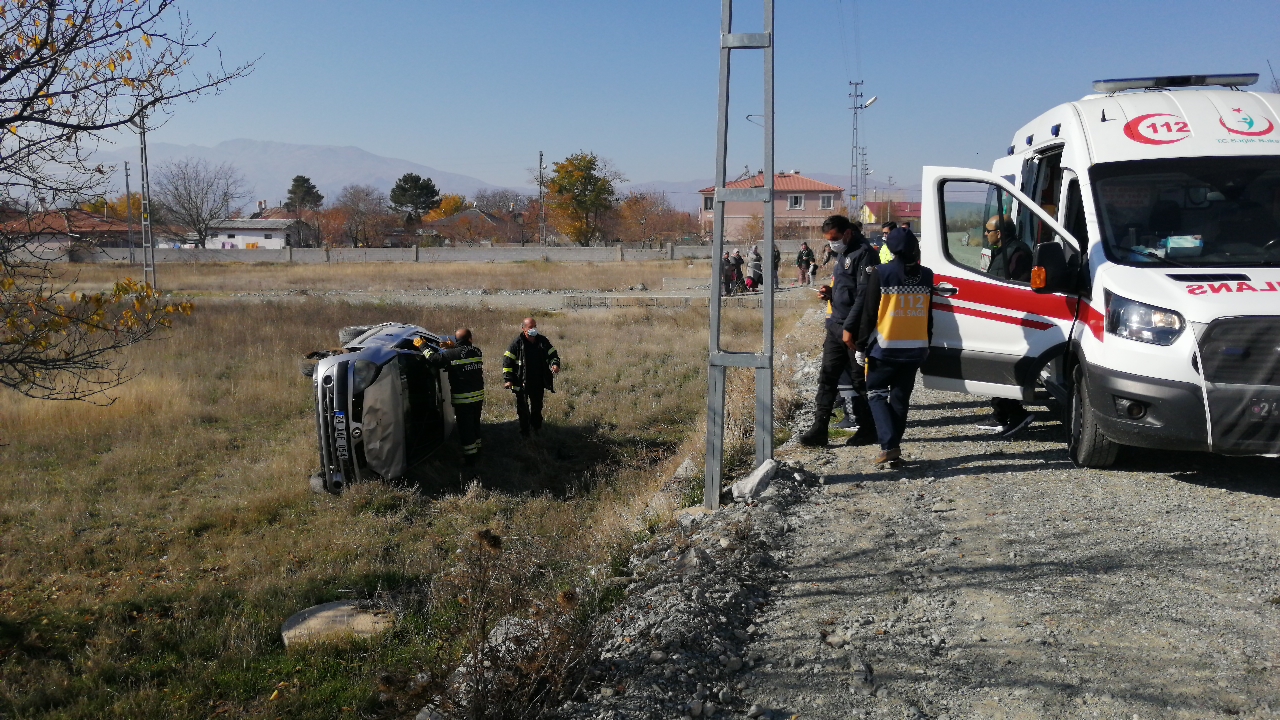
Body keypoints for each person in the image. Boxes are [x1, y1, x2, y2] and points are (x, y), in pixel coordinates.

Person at [799, 215, 879, 447]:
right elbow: (846, 290)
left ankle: (868, 428)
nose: (832, 244)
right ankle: (819, 428)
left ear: (847, 233)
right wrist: (830, 293)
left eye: (834, 239)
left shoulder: (865, 254)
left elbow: (864, 297)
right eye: (829, 241)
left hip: (853, 331)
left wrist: (850, 329)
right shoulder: (843, 253)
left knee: (858, 381)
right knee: (827, 377)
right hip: (835, 327)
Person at [856, 227, 934, 465]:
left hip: (885, 348)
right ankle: (894, 447)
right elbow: (929, 314)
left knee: (876, 394)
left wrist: (860, 345)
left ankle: (889, 445)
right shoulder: (927, 275)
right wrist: (927, 342)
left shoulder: (881, 273)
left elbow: (869, 313)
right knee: (900, 399)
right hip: (915, 348)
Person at [983, 214, 1036, 437]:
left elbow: (1018, 288)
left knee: (1004, 369)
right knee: (995, 368)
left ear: (1000, 233)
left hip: (1010, 321)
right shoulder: (1001, 252)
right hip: (998, 318)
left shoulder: (1019, 253)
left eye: (989, 231)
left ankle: (1016, 414)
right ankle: (1000, 414)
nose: (986, 234)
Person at [423, 327, 485, 466]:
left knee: (465, 428)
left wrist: (423, 346)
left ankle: (470, 460)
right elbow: (462, 351)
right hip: (478, 396)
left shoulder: (452, 354)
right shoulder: (477, 351)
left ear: (457, 340)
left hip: (463, 399)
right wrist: (454, 346)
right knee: (475, 424)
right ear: (470, 339)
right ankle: (478, 449)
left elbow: (434, 358)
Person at [502, 317, 561, 437]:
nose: (533, 329)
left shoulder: (542, 341)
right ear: (524, 329)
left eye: (535, 326)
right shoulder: (517, 343)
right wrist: (508, 380)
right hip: (521, 383)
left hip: (538, 381)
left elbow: (553, 354)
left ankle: (536, 428)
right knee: (523, 409)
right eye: (530, 327)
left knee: (537, 406)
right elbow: (507, 362)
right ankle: (525, 432)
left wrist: (555, 364)